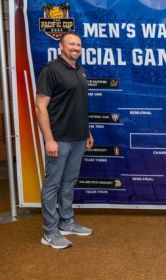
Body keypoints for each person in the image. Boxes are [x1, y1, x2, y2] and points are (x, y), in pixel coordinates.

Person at [35, 32, 94, 249]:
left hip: (79, 137)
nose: (76, 48)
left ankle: (66, 222)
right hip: (59, 139)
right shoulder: (51, 70)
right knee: (53, 184)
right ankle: (49, 232)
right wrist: (49, 139)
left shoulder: (79, 70)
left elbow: (78, 104)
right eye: (71, 44)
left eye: (78, 45)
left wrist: (87, 132)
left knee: (69, 182)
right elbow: (40, 106)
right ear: (61, 46)